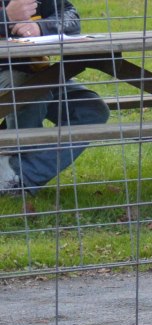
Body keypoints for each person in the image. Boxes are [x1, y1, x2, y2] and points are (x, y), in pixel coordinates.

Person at [0, 0, 109, 195]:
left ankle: (20, 177)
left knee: (91, 110)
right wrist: (5, 18)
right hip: (8, 75)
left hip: (37, 74)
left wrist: (40, 27)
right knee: (33, 95)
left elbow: (70, 16)